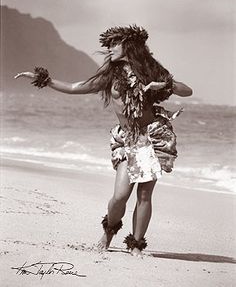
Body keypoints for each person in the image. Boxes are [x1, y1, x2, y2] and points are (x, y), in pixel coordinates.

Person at [15, 25, 192, 257]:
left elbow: (187, 90)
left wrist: (167, 85)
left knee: (145, 195)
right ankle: (108, 233)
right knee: (120, 196)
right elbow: (75, 87)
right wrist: (44, 79)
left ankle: (136, 245)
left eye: (113, 44)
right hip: (128, 140)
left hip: (152, 137)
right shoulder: (110, 75)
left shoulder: (152, 71)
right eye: (107, 45)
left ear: (129, 45)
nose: (109, 49)